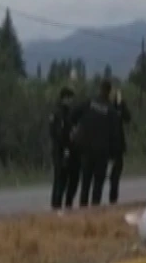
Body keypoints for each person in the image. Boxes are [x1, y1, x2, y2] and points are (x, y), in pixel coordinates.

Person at [71, 79, 118, 207]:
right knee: (98, 184)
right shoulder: (111, 110)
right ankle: (94, 211)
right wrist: (114, 155)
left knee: (85, 182)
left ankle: (83, 209)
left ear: (99, 89)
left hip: (86, 149)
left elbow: (73, 114)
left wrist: (77, 129)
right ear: (109, 92)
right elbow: (115, 135)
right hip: (102, 152)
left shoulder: (89, 103)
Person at [49, 86, 78, 212]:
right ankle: (57, 206)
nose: (71, 101)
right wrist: (67, 147)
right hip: (62, 151)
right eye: (70, 99)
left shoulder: (57, 112)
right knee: (61, 179)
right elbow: (60, 133)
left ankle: (57, 205)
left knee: (61, 180)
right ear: (64, 98)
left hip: (59, 150)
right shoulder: (61, 113)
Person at [108, 87, 131, 204]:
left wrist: (122, 103)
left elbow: (127, 118)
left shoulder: (119, 107)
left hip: (118, 145)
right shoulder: (107, 106)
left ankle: (113, 198)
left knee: (116, 172)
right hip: (108, 143)